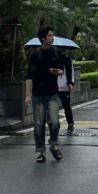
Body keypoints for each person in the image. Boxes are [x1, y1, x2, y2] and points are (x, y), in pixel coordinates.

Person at [26, 26, 63, 163]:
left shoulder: (56, 52)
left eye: (52, 35)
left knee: (54, 122)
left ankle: (53, 144)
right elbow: (29, 76)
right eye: (49, 36)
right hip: (38, 95)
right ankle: (41, 151)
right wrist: (28, 95)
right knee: (39, 124)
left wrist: (57, 72)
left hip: (52, 93)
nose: (52, 37)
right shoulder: (35, 55)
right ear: (43, 38)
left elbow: (61, 71)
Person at [56, 50, 75, 134]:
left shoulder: (67, 60)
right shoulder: (53, 60)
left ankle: (70, 123)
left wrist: (71, 83)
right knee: (53, 108)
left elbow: (71, 72)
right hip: (54, 87)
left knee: (66, 107)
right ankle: (55, 126)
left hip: (64, 88)